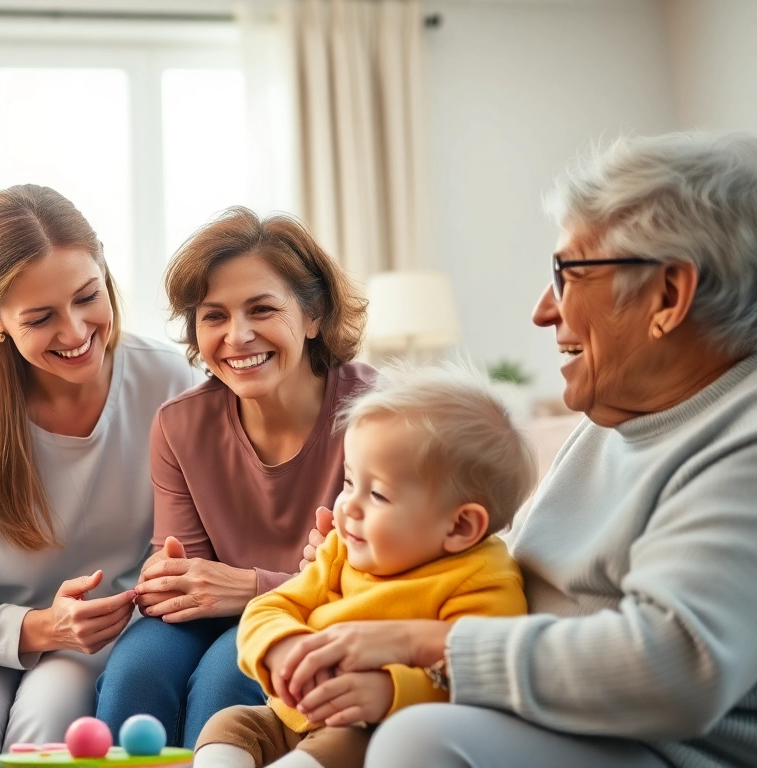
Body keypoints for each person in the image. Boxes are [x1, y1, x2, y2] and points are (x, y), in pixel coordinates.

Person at [293, 133, 757, 768]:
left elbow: (678, 664)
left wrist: (424, 641)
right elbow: (514, 576)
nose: (543, 311)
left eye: (568, 274)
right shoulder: (613, 417)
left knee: (417, 740)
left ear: (668, 296)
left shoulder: (742, 438)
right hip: (550, 718)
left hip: (662, 747)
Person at [0, 184, 197, 753]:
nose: (76, 332)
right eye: (41, 318)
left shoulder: (171, 383)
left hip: (114, 632)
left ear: (104, 268)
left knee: (52, 710)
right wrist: (40, 628)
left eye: (88, 296)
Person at [96, 208, 374, 748]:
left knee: (229, 678)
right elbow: (185, 574)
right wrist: (166, 582)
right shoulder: (180, 424)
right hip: (220, 613)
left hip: (325, 610)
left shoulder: (377, 415)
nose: (237, 336)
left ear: (313, 316)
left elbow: (381, 581)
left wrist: (250, 587)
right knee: (135, 673)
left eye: (262, 309)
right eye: (214, 316)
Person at [192, 364, 534, 768]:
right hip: (289, 716)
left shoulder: (483, 580)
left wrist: (390, 691)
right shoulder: (342, 547)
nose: (347, 505)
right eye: (350, 482)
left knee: (338, 751)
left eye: (378, 494)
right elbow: (270, 608)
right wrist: (282, 646)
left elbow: (483, 675)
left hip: (369, 730)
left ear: (459, 526)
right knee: (229, 725)